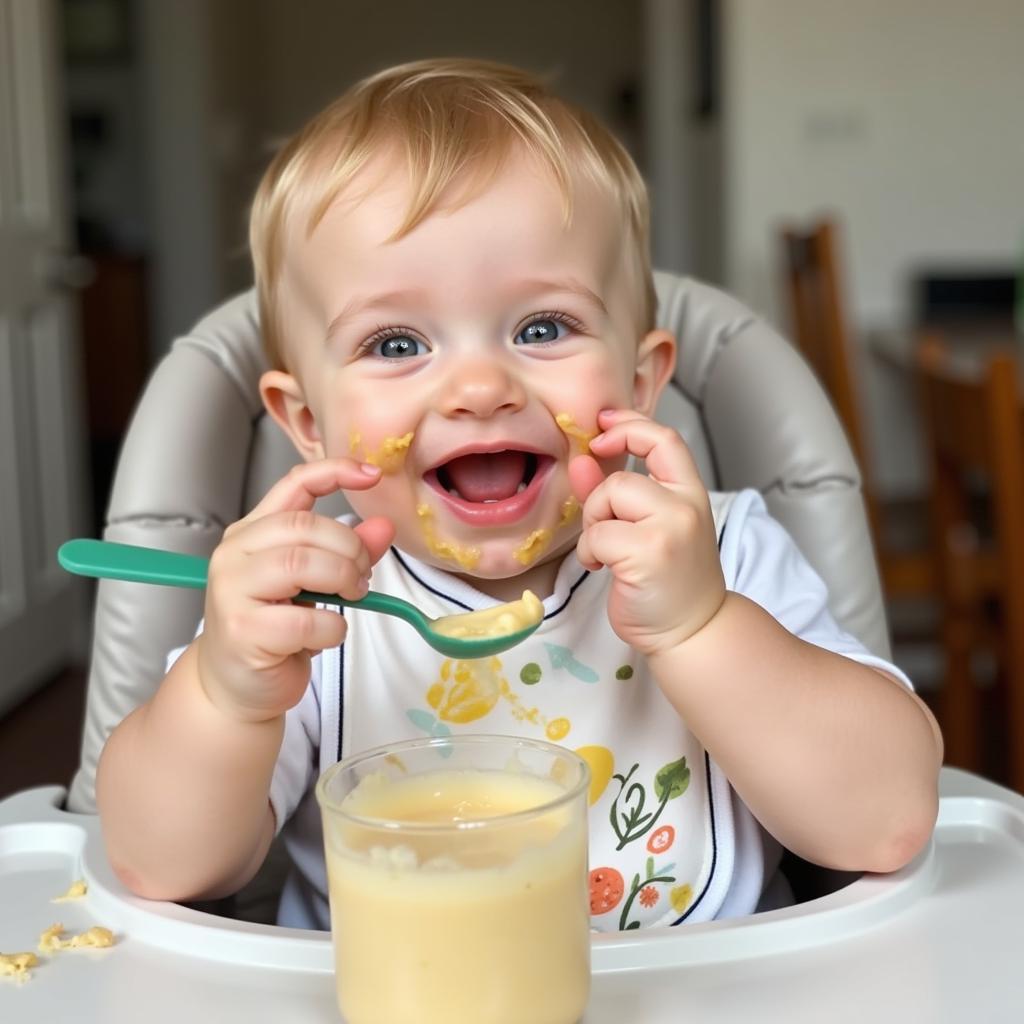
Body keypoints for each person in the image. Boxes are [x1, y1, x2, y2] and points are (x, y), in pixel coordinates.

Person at [96, 58, 942, 932]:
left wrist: (701, 625)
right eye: (394, 343)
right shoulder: (305, 605)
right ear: (306, 422)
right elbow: (156, 864)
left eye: (543, 328)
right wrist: (228, 691)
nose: (479, 387)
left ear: (643, 380)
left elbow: (889, 821)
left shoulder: (723, 554)